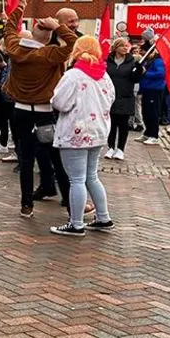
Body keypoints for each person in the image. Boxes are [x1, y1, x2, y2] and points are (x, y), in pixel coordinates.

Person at [3, 3, 76, 219]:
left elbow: (8, 28)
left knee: (25, 159)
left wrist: (20, 8)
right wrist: (58, 26)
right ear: (48, 38)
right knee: (56, 158)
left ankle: (26, 205)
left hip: (20, 111)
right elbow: (73, 43)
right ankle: (71, 204)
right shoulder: (50, 54)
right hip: (44, 113)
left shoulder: (15, 48)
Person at [50, 37, 116, 237]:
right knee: (91, 176)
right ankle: (103, 217)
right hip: (97, 131)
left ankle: (76, 223)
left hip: (75, 133)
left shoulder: (74, 75)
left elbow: (60, 102)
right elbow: (111, 98)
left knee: (77, 179)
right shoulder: (104, 75)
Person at [105, 38, 143, 160]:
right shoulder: (108, 61)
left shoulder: (131, 61)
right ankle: (110, 147)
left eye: (126, 46)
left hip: (125, 97)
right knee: (111, 124)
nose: (125, 48)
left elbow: (135, 79)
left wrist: (139, 71)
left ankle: (120, 149)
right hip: (110, 97)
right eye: (122, 46)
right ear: (115, 47)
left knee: (123, 124)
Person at [138, 29, 166, 146]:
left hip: (155, 89)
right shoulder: (149, 59)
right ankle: (147, 133)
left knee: (153, 113)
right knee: (146, 112)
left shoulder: (158, 60)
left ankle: (154, 135)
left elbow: (161, 74)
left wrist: (145, 73)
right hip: (147, 88)